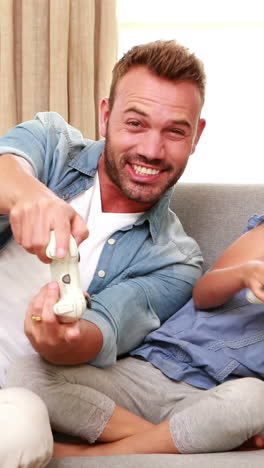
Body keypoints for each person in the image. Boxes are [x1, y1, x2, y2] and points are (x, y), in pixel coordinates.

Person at [0, 39, 205, 374]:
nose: (152, 150)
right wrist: (29, 196)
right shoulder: (52, 142)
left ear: (196, 136)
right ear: (106, 116)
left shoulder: (177, 262)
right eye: (136, 123)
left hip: (17, 397)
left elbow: (102, 330)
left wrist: (64, 341)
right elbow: (7, 165)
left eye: (175, 132)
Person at [7, 213, 264, 457]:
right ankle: (171, 440)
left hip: (210, 398)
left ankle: (98, 454)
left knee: (254, 398)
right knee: (27, 371)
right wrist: (244, 273)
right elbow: (203, 295)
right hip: (148, 370)